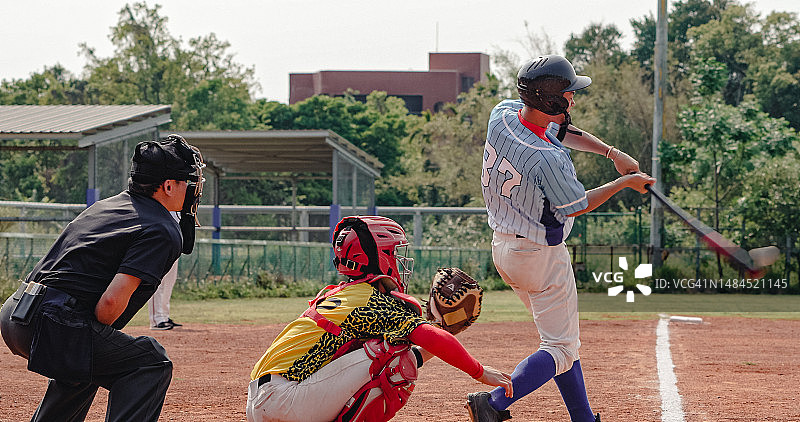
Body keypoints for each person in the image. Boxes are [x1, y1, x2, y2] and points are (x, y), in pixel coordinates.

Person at [470, 55, 656, 422]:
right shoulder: (548, 160)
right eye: (570, 94)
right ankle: (492, 403)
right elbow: (577, 205)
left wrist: (612, 154)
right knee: (560, 346)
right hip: (539, 256)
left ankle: (583, 418)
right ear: (553, 102)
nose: (574, 100)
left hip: (505, 249)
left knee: (561, 340)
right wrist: (625, 183)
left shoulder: (503, 115)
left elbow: (559, 129)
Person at [0, 134, 204, 422]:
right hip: (51, 320)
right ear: (168, 185)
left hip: (15, 313)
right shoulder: (160, 228)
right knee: (149, 363)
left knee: (85, 365)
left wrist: (90, 337)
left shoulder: (107, 206)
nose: (193, 189)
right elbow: (110, 304)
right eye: (188, 182)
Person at [246, 215, 514, 422]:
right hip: (285, 401)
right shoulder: (370, 300)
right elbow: (420, 340)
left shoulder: (342, 294)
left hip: (267, 400)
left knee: (389, 350)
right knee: (393, 353)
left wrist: (441, 332)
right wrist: (479, 372)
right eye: (395, 253)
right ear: (380, 257)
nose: (400, 260)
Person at [149, 211, 184, 330]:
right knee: (158, 281)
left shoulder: (178, 200)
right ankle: (156, 319)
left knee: (170, 281)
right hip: (160, 240)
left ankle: (164, 316)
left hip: (175, 240)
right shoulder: (160, 198)